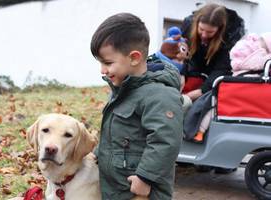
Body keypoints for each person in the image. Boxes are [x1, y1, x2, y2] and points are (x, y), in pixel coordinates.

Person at [90, 13, 183, 199]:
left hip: (142, 193)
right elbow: (114, 134)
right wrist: (96, 155)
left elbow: (165, 140)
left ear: (134, 58)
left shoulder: (159, 95)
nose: (102, 70)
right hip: (118, 189)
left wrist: (145, 177)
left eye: (107, 63)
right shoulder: (123, 90)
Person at [181, 3, 244, 101]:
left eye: (210, 32)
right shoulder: (188, 25)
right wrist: (182, 73)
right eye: (201, 29)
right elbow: (181, 55)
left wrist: (200, 91)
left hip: (215, 79)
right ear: (196, 23)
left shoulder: (230, 36)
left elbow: (222, 69)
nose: (204, 35)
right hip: (194, 73)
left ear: (220, 30)